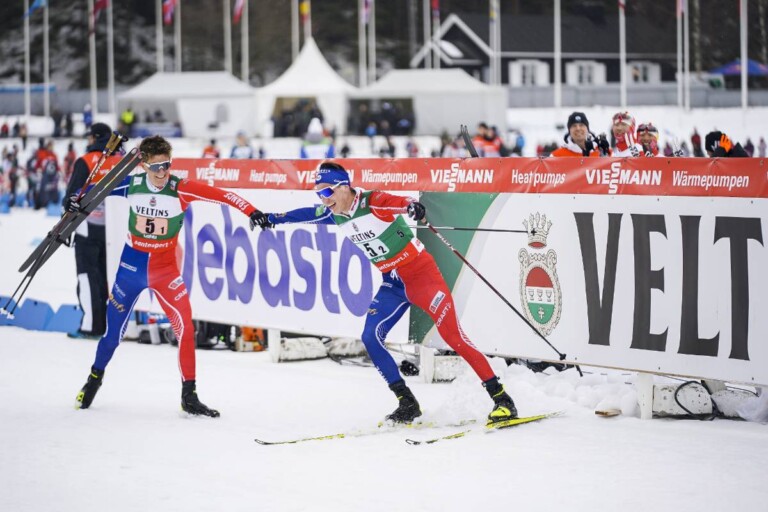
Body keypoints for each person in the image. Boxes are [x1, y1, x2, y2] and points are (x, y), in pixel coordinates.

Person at [253, 161, 518, 425]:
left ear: (343, 187)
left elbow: (395, 201)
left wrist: (410, 206)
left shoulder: (372, 202)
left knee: (453, 336)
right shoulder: (332, 213)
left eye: (326, 192)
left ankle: (501, 398)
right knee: (370, 337)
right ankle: (407, 402)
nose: (323, 199)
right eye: (318, 193)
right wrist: (272, 219)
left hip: (422, 277)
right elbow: (304, 215)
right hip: (392, 283)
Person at [72, 135, 268, 416]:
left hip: (165, 271)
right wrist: (75, 198)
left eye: (167, 165)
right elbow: (93, 191)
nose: (163, 172)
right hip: (131, 270)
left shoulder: (181, 189)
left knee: (186, 329)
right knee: (113, 334)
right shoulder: (131, 184)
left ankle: (189, 395)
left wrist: (252, 211)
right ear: (143, 166)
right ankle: (94, 379)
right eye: (157, 167)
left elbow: (223, 195)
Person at [63, 123, 122, 339]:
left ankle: (90, 326)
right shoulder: (120, 161)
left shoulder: (86, 161)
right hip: (113, 229)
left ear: (94, 138)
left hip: (87, 228)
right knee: (107, 277)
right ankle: (109, 325)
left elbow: (71, 196)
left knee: (88, 276)